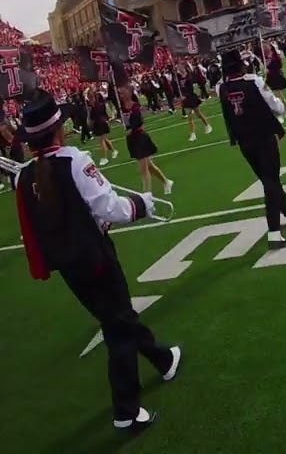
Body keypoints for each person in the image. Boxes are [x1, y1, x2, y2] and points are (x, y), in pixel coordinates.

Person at [11, 92, 181, 432]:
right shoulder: (73, 160)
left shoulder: (24, 175)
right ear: (58, 127)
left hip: (69, 266)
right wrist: (141, 205)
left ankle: (163, 358)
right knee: (117, 328)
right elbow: (110, 209)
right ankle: (126, 411)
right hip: (95, 257)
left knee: (116, 317)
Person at [216, 50, 286, 250]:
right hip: (263, 136)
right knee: (270, 180)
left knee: (267, 178)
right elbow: (276, 106)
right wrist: (279, 107)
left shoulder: (221, 88)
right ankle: (274, 232)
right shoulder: (253, 81)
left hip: (244, 140)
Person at [122, 85, 172, 196]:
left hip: (140, 138)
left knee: (144, 170)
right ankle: (166, 182)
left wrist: (131, 128)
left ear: (130, 93)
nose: (121, 94)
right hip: (132, 139)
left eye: (124, 92)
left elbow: (138, 120)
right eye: (120, 93)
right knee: (149, 166)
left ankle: (147, 196)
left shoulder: (135, 106)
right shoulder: (121, 107)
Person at [264, 42, 286, 121]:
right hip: (270, 79)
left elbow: (279, 66)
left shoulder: (275, 57)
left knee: (279, 95)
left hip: (276, 77)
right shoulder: (266, 57)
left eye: (266, 46)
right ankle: (283, 111)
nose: (265, 48)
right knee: (275, 96)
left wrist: (269, 69)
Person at [88, 89, 118, 165]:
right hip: (100, 123)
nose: (89, 99)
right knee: (104, 139)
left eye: (90, 97)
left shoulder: (96, 105)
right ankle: (114, 151)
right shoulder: (96, 104)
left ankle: (104, 158)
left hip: (101, 123)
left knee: (102, 141)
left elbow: (93, 117)